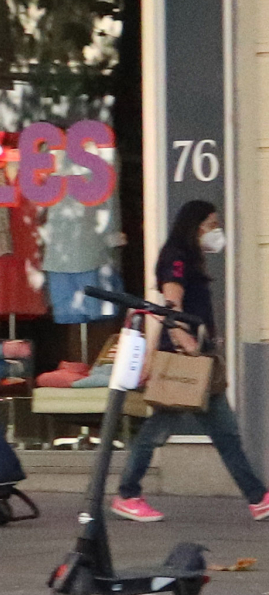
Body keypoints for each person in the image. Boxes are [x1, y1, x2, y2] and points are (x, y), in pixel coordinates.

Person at [112, 200, 269, 523]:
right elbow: (172, 303)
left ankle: (258, 498)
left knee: (222, 433)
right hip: (185, 360)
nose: (215, 230)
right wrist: (186, 341)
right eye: (211, 223)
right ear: (196, 225)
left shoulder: (188, 258)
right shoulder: (175, 257)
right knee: (159, 431)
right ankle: (127, 493)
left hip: (196, 357)